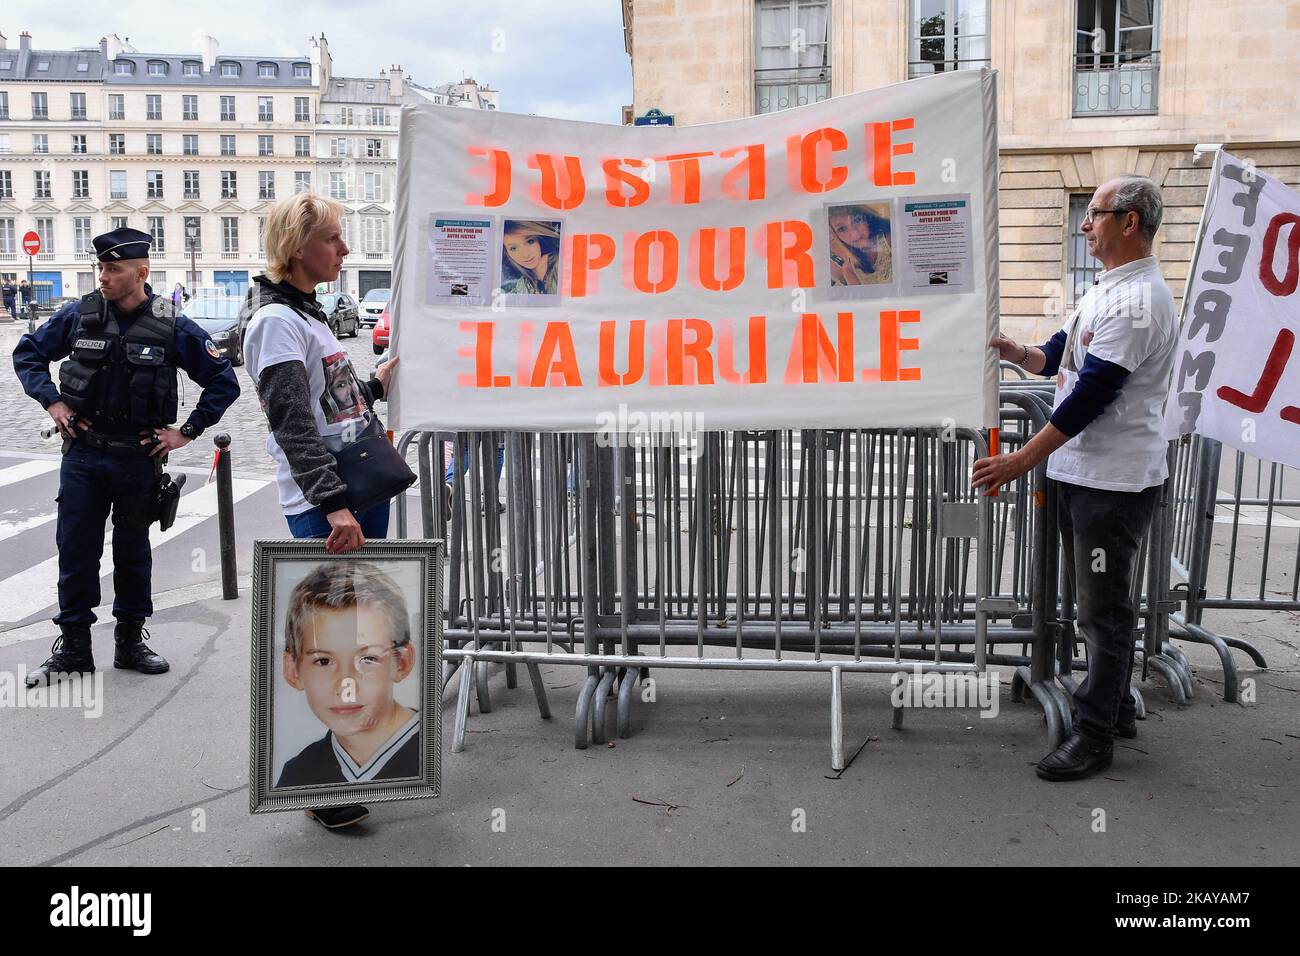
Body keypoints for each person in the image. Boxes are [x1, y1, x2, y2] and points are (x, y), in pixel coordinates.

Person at [972, 175, 1177, 782]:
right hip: (1084, 473)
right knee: (1094, 604)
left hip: (1111, 481)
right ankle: (1114, 709)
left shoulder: (1140, 302)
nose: (1084, 224)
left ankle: (1095, 735)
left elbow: (1092, 395)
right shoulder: (1108, 289)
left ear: (1130, 222)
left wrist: (1019, 460)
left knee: (1102, 611)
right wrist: (1017, 353)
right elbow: (1059, 355)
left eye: (1095, 213)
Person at [12, 227, 241, 686]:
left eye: (113, 269)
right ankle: (73, 648)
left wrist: (186, 432)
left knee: (133, 553)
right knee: (76, 552)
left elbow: (223, 381)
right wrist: (53, 403)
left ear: (141, 272)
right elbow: (28, 354)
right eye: (101, 267)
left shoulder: (172, 325)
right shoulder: (79, 315)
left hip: (138, 459)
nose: (103, 277)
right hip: (84, 456)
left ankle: (130, 642)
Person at [242, 191, 399, 830]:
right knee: (328, 644)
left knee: (353, 639)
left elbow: (332, 401)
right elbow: (293, 424)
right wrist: (333, 507)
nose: (345, 248)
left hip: (353, 493)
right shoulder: (275, 322)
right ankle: (319, 785)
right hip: (327, 504)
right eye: (333, 237)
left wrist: (378, 383)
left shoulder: (307, 314)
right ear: (297, 245)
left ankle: (347, 765)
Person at [276, 560, 419, 790]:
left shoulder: (427, 751)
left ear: (402, 662)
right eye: (323, 661)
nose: (346, 687)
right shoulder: (297, 775)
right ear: (293, 670)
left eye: (367, 659)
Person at [828, 205, 892, 286]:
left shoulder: (890, 238)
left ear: (867, 218)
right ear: (836, 236)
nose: (854, 234)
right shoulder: (849, 269)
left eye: (857, 220)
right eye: (841, 229)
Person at [500, 220, 561, 295]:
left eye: (530, 241)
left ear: (539, 239)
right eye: (513, 248)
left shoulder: (560, 265)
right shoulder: (521, 284)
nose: (526, 255)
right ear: (506, 252)